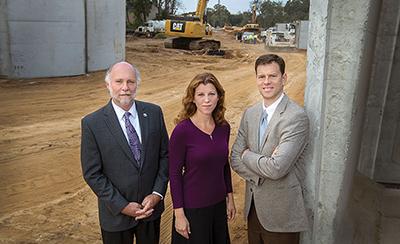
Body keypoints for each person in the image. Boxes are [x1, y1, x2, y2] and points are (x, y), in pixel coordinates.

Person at [80, 61, 169, 244]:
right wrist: (122, 206)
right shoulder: (92, 123)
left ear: (137, 84)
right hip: (115, 216)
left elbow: (165, 156)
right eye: (119, 81)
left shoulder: (154, 113)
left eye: (131, 82)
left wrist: (156, 194)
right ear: (108, 85)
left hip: (150, 211)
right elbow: (92, 173)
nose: (125, 88)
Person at [231, 54, 309, 244]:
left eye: (272, 76)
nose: (266, 82)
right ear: (256, 79)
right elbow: (234, 158)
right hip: (253, 211)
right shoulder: (250, 113)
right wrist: (261, 167)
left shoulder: (295, 117)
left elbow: (277, 168)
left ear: (284, 78)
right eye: (261, 76)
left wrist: (247, 154)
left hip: (281, 215)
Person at [169, 72, 236, 244]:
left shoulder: (223, 127)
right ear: (192, 98)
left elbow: (223, 164)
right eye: (201, 94)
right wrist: (179, 214)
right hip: (194, 208)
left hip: (218, 205)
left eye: (211, 94)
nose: (207, 100)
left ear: (219, 97)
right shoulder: (182, 131)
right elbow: (174, 174)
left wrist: (230, 198)